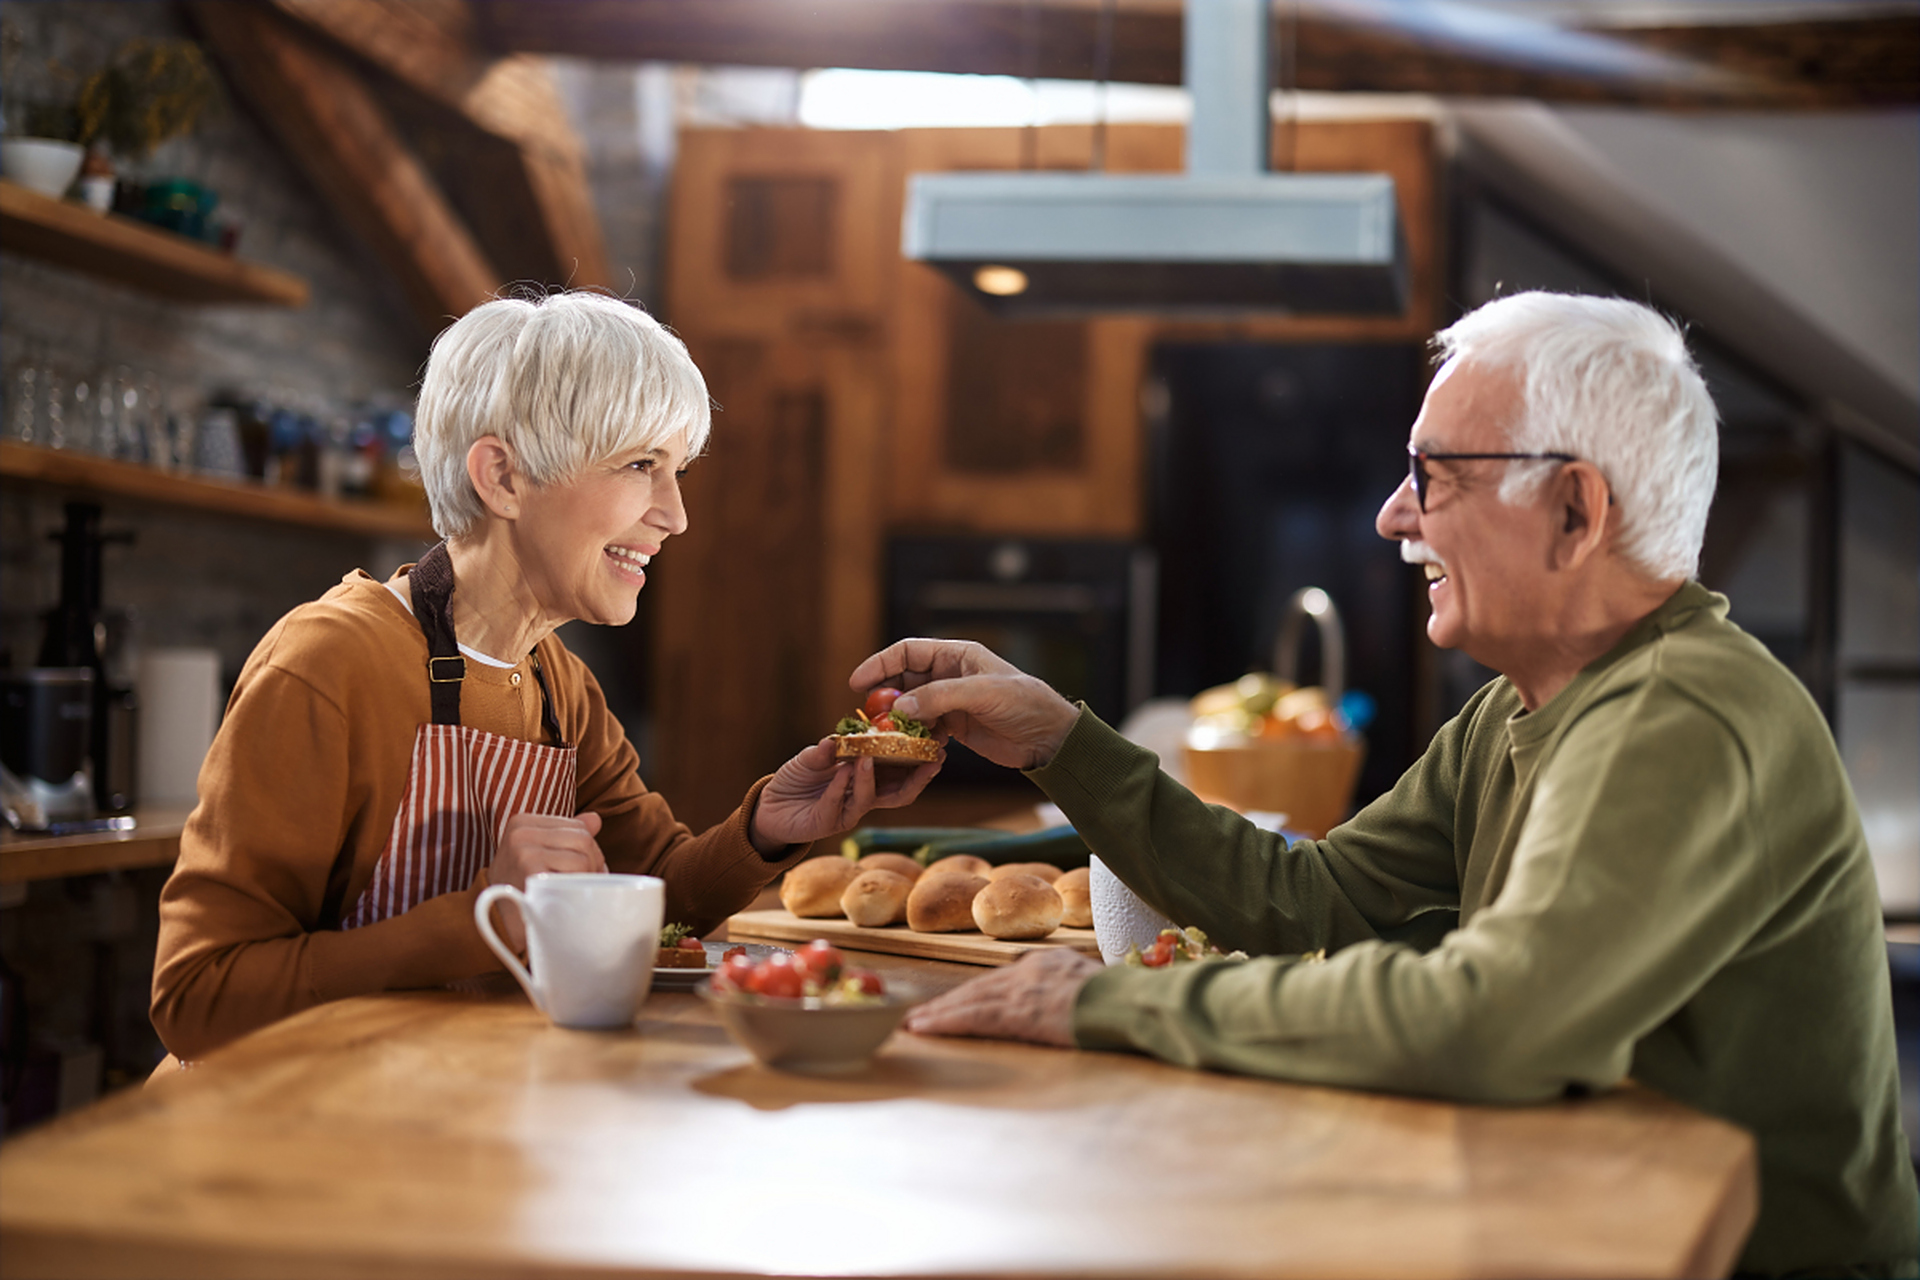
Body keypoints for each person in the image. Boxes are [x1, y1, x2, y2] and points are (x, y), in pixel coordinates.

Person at [859, 292, 1917, 1278]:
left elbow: (1493, 1018)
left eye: (1434, 473)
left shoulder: (1680, 713)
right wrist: (1060, 739)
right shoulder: (1523, 705)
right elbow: (1304, 898)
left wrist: (1114, 1001)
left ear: (1574, 509)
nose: (1390, 516)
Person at [153, 290, 937, 1061]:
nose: (675, 515)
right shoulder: (329, 663)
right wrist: (485, 916)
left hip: (445, 1121)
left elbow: (658, 894)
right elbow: (198, 999)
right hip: (275, 1147)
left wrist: (767, 827)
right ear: (502, 478)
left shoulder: (558, 682)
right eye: (640, 465)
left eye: (678, 472)